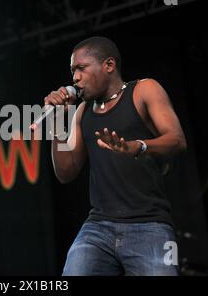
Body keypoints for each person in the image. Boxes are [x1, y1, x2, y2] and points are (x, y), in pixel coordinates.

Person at [44, 36, 187, 276]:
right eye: (72, 71)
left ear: (108, 65)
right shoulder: (82, 111)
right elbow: (66, 172)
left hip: (149, 224)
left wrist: (138, 146)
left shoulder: (144, 89)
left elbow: (177, 140)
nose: (75, 78)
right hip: (98, 226)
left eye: (81, 68)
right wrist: (57, 122)